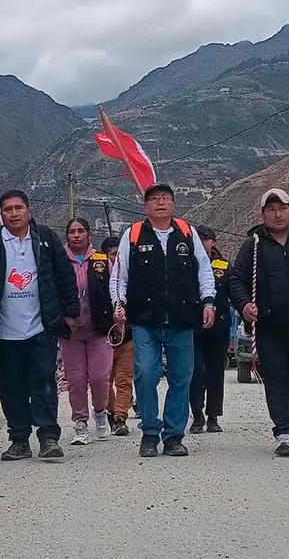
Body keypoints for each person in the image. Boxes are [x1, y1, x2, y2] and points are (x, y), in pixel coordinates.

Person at [0, 190, 79, 461]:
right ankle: (19, 440)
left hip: (41, 326)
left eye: (19, 208)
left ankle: (48, 437)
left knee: (44, 381)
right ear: (2, 214)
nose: (14, 213)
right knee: (11, 386)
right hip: (4, 330)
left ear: (29, 210)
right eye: (8, 209)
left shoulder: (46, 238)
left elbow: (65, 274)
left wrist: (70, 312)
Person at [111, 183, 216, 458]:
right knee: (146, 374)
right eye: (154, 199)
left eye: (165, 198)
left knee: (181, 378)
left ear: (173, 204)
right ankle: (149, 433)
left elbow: (204, 272)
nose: (160, 203)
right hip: (145, 321)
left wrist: (208, 302)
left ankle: (173, 436)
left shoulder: (187, 233)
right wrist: (118, 303)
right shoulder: (133, 235)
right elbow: (119, 276)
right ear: (146, 206)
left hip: (182, 320)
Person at [229, 188, 289, 456]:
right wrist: (244, 304)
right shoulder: (253, 245)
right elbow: (236, 279)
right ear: (262, 214)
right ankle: (283, 431)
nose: (277, 214)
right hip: (269, 325)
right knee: (275, 377)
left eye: (282, 208)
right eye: (271, 209)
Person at [59, 218, 115, 445]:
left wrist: (118, 315)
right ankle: (80, 423)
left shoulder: (101, 260)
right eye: (72, 231)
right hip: (70, 332)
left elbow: (114, 289)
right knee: (76, 380)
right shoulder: (60, 261)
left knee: (100, 377)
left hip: (99, 329)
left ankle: (100, 412)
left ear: (89, 235)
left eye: (81, 231)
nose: (76, 235)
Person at [189, 225, 232, 434]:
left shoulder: (224, 266)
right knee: (195, 371)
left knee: (216, 372)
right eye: (199, 239)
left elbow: (234, 292)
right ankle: (197, 415)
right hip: (193, 328)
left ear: (213, 242)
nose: (203, 242)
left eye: (206, 239)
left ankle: (213, 416)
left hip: (219, 329)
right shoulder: (187, 263)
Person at [101, 235, 134, 436]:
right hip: (104, 338)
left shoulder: (129, 277)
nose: (117, 259)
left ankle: (121, 417)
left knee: (124, 380)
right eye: (113, 255)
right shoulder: (97, 279)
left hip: (128, 337)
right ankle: (111, 412)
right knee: (104, 380)